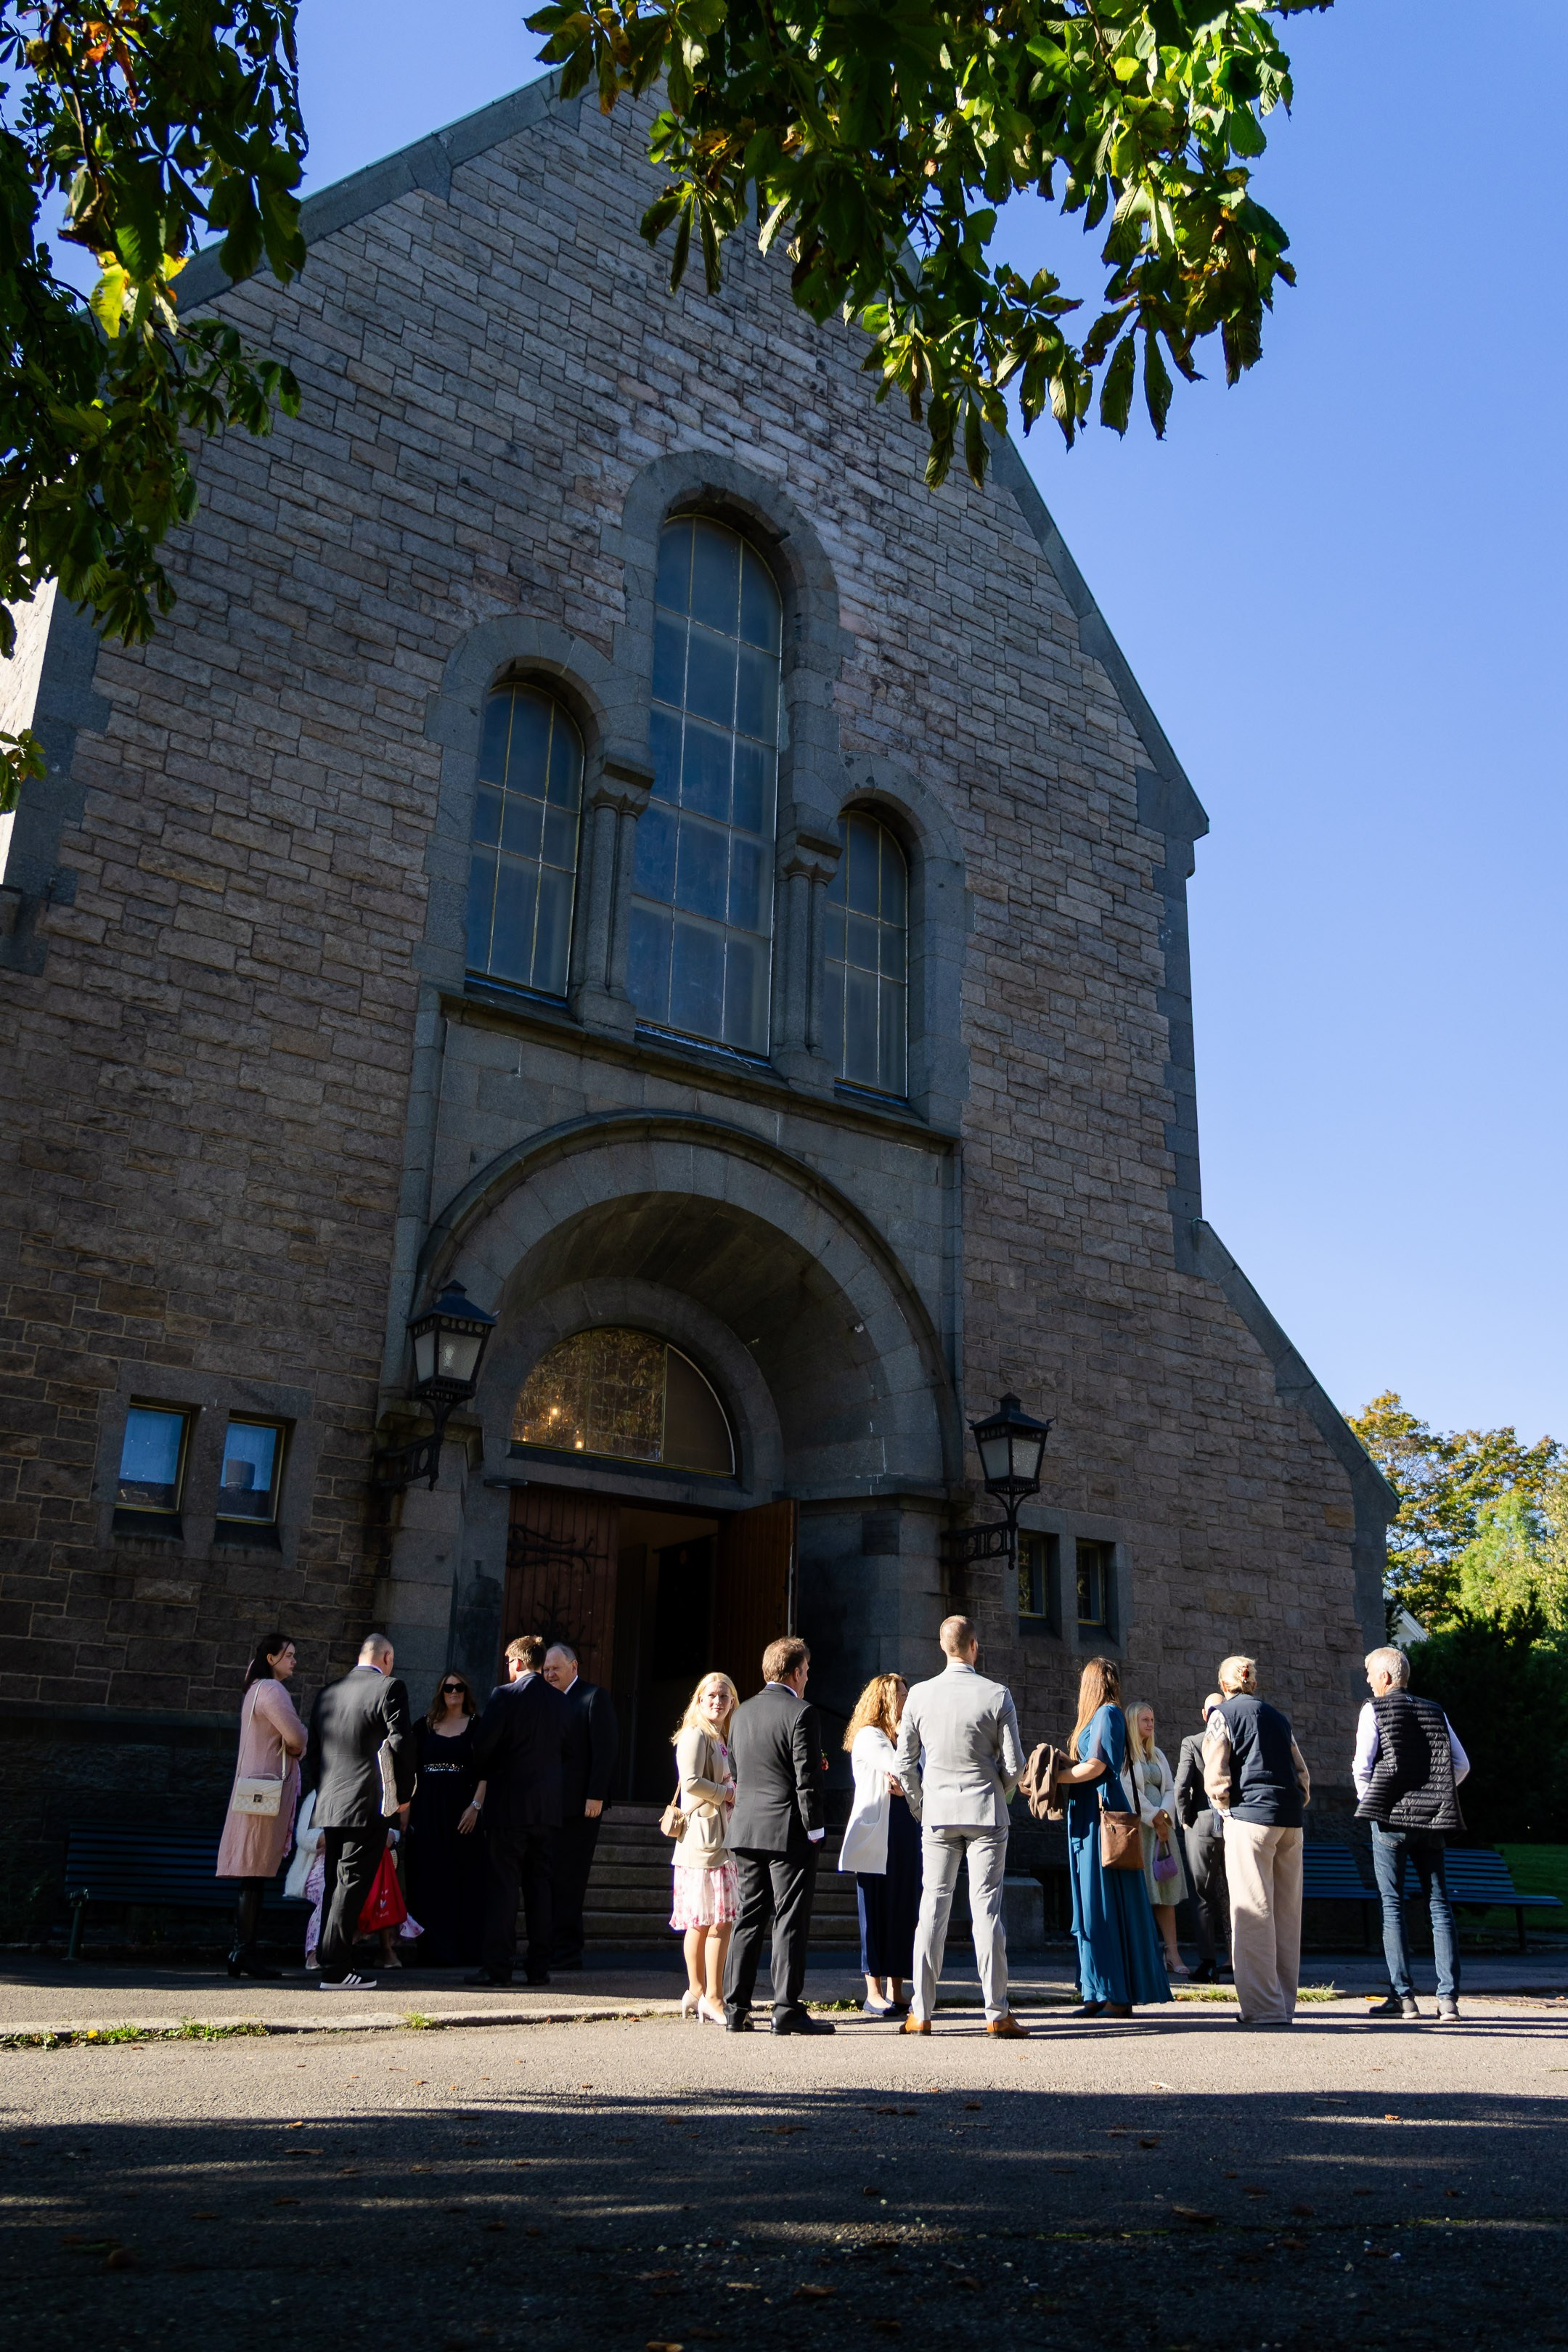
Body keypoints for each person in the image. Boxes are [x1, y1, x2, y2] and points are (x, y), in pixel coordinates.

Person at [894, 1615, 1030, 2039]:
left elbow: (904, 1765)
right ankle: (996, 2012)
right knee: (986, 1910)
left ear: (943, 1646)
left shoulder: (918, 1695)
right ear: (974, 1647)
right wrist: (999, 1790)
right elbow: (1015, 1765)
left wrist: (919, 1806)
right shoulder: (996, 1694)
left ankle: (921, 2012)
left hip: (937, 1813)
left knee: (932, 1908)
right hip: (986, 1811)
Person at [722, 1636, 833, 2037]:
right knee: (789, 1918)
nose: (807, 1678)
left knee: (748, 1916)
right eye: (805, 1671)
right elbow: (807, 1778)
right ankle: (786, 2008)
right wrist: (816, 1827)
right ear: (795, 1672)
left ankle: (736, 2008)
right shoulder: (802, 1712)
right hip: (788, 1829)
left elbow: (736, 1768)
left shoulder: (742, 1714)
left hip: (746, 1826)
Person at [1354, 1645, 1470, 2022]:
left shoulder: (1374, 1709)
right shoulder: (1436, 1710)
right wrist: (1436, 1791)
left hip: (1390, 1821)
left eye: (1370, 1673)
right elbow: (1461, 1763)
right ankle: (1448, 2000)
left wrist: (1373, 1802)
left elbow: (1362, 1767)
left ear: (1386, 1677)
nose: (1368, 1680)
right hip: (1432, 1821)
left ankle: (1403, 1999)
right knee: (1440, 1905)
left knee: (1392, 1905)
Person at [1058, 1655, 1170, 2017]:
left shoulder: (1107, 1714)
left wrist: (1053, 1776)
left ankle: (1117, 1995)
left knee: (1105, 1906)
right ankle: (1095, 1991)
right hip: (1088, 1815)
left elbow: (1097, 1766)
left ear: (1090, 1685)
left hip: (1103, 1817)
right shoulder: (1097, 1717)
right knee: (1091, 1905)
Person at [1202, 1653, 1311, 2028]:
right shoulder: (1278, 1717)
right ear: (1253, 1681)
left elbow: (1215, 1772)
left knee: (1253, 1912)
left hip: (1250, 1817)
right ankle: (1284, 2004)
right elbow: (1302, 1773)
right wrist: (1297, 1804)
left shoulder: (1223, 1715)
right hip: (1290, 1820)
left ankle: (1264, 2009)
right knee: (1286, 1915)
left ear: (1223, 1685)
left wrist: (1226, 1809)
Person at [303, 1631, 414, 1992]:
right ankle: (336, 1968)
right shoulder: (390, 1688)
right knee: (350, 1884)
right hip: (368, 1804)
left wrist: (321, 1796)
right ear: (387, 1658)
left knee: (337, 1883)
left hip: (331, 1802)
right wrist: (404, 1794)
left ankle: (329, 1959)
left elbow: (314, 1751)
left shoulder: (328, 1692)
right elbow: (400, 1742)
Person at [468, 1633, 568, 1987]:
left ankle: (497, 1967)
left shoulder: (505, 1696)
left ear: (519, 1663)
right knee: (540, 1887)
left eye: (510, 1663)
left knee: (504, 1887)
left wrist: (488, 1770)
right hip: (547, 1809)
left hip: (509, 1806)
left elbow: (482, 1746)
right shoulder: (560, 1702)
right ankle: (539, 1968)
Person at [216, 1632, 308, 1980]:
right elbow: (296, 1737)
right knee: (255, 1872)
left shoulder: (254, 1690)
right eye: (289, 1655)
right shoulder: (272, 1690)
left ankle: (243, 1950)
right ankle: (244, 1951)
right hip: (266, 1791)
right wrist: (304, 1743)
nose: (294, 1661)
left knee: (252, 1874)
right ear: (271, 1658)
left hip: (254, 1788)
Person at [840, 1671, 920, 2015]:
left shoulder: (900, 1737)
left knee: (903, 1908)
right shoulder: (870, 1736)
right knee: (874, 1910)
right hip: (877, 1833)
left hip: (904, 1829)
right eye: (902, 1696)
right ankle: (873, 1992)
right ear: (886, 1701)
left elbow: (915, 1772)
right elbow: (901, 1768)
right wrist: (906, 1772)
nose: (907, 1701)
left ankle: (897, 1988)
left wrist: (907, 1778)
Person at [543, 1641, 620, 1971]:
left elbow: (605, 1749)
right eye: (545, 1670)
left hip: (580, 1807)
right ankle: (544, 1948)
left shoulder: (593, 1697)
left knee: (570, 1879)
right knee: (546, 1879)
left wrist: (596, 1795)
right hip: (546, 1805)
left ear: (573, 1667)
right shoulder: (544, 1700)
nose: (549, 1675)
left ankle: (567, 1951)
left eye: (555, 1669)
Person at [404, 1669, 489, 1968]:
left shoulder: (478, 1726)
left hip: (462, 1810)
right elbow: (409, 1771)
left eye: (460, 1688)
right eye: (448, 1688)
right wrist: (406, 1812)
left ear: (467, 1692)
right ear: (440, 1692)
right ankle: (431, 1951)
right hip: (428, 1809)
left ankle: (464, 1951)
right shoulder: (424, 1726)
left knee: (462, 1878)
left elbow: (486, 1771)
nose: (454, 1692)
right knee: (429, 1877)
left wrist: (475, 1806)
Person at [669, 1670, 740, 2023]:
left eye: (724, 1697)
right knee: (707, 1921)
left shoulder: (719, 1736)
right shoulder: (696, 1734)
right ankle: (707, 1994)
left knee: (716, 1921)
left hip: (718, 1836)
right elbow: (692, 1782)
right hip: (702, 1839)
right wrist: (728, 1793)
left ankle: (700, 1992)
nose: (718, 1701)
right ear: (699, 1700)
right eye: (711, 1696)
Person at [1125, 1700, 1190, 1978]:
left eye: (1152, 1720)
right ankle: (1147, 1954)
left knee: (1166, 1892)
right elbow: (1129, 1792)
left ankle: (1172, 1953)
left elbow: (1171, 1787)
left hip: (1163, 1830)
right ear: (1132, 1723)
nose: (1150, 1724)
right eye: (1145, 1720)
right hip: (1142, 1829)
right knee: (1145, 1891)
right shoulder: (1125, 1755)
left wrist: (1165, 1817)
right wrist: (1153, 1817)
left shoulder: (1158, 1755)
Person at [1173, 1693, 1230, 1980]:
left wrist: (1184, 1819)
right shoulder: (1236, 1739)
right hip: (1235, 1823)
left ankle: (1208, 1963)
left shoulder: (1193, 1742)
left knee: (1202, 1897)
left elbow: (1182, 1785)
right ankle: (1239, 1961)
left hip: (1203, 1823)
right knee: (1237, 1894)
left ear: (1204, 1715)